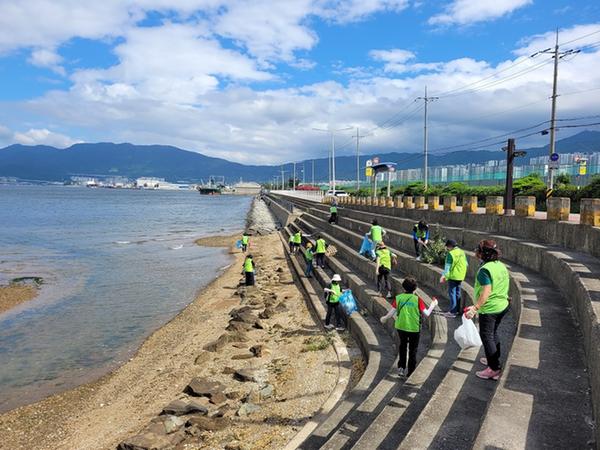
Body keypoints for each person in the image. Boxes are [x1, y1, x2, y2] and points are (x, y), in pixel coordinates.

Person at [465, 240, 510, 381]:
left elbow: (486, 291)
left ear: (483, 253)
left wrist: (475, 308)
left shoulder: (485, 270)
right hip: (502, 305)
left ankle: (494, 369)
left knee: (487, 336)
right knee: (493, 333)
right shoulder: (500, 265)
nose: (475, 252)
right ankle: (494, 359)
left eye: (478, 250)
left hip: (490, 309)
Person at [381, 277, 437, 377]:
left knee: (402, 346)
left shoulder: (399, 298)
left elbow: (391, 313)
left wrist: (384, 319)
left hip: (401, 327)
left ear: (403, 288)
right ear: (415, 289)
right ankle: (410, 371)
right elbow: (426, 313)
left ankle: (401, 368)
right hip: (414, 328)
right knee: (413, 350)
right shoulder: (417, 300)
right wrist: (433, 304)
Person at [440, 239, 468, 317]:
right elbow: (466, 264)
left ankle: (452, 312)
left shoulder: (451, 254)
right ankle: (458, 310)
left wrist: (444, 276)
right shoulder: (462, 252)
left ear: (450, 246)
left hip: (453, 276)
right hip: (461, 276)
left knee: (452, 293)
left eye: (447, 247)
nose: (447, 248)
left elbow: (447, 268)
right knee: (458, 293)